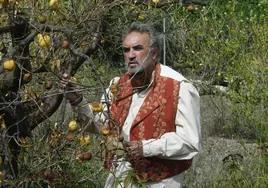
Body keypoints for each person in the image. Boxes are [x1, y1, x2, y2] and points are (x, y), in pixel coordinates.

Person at [64, 22, 201, 188]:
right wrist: (77, 100)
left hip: (159, 182)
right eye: (126, 49)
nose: (131, 55)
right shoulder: (118, 86)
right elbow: (100, 125)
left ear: (154, 53)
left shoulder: (179, 87)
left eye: (137, 48)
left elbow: (190, 143)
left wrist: (146, 148)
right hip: (119, 177)